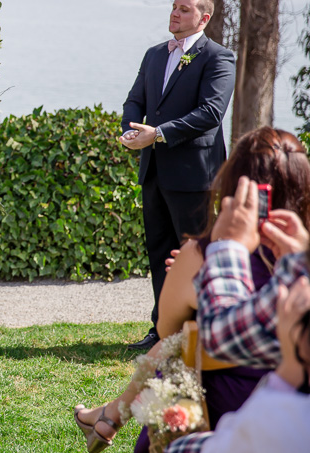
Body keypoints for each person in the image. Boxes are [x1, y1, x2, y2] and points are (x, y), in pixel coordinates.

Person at [73, 127, 309, 452]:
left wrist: (213, 260)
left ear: (233, 187)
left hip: (215, 417)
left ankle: (109, 416)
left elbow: (168, 329)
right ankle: (109, 415)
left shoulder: (201, 255)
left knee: (176, 345)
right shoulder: (299, 264)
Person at [119, 0, 235, 351]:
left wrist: (158, 134)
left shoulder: (218, 57)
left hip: (194, 175)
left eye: (185, 9)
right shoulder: (155, 54)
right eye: (174, 7)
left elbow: (211, 113)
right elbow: (134, 100)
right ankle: (163, 329)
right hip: (153, 171)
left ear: (204, 17)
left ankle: (200, 333)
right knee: (159, 250)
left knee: (194, 255)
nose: (175, 14)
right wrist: (130, 131)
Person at [163, 176, 310, 453]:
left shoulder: (283, 419)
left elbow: (220, 333)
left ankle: (107, 417)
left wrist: (225, 248)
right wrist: (300, 260)